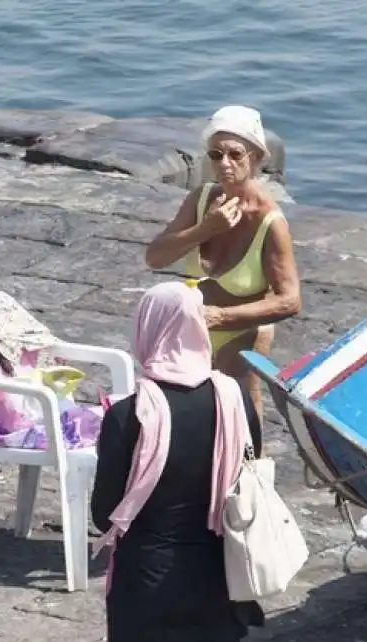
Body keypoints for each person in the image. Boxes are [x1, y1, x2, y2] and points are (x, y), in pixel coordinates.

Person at [91, 281, 264, 642]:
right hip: (220, 575)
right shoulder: (235, 400)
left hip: (151, 581)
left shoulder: (128, 414)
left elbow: (105, 512)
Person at [145, 105, 301, 420]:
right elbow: (155, 258)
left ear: (256, 158)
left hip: (241, 332)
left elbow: (290, 300)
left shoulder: (270, 221)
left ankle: (251, 465)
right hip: (194, 329)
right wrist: (204, 230)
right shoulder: (201, 201)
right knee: (190, 418)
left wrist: (219, 317)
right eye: (216, 155)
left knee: (238, 414)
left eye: (235, 154)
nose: (225, 164)